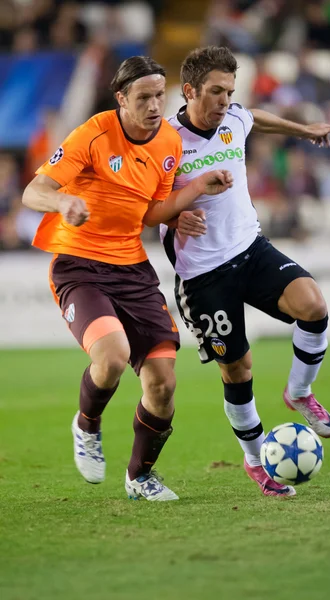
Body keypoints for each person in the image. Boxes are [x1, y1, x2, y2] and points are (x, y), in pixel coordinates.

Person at [22, 55, 233, 502]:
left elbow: (150, 213)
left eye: (160, 95)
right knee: (113, 355)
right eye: (144, 97)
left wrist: (189, 199)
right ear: (121, 98)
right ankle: (88, 424)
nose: (155, 105)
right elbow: (33, 191)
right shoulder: (94, 133)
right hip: (79, 265)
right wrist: (63, 205)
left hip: (132, 269)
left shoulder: (170, 144)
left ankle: (140, 477)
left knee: (163, 383)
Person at [160, 46, 330, 499]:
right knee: (238, 370)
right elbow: (142, 205)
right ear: (189, 91)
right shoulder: (164, 142)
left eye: (229, 91)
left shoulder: (234, 120)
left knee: (313, 305)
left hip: (250, 248)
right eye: (216, 92)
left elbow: (253, 117)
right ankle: (257, 461)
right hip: (202, 275)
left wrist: (303, 130)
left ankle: (299, 393)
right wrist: (173, 217)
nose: (224, 101)